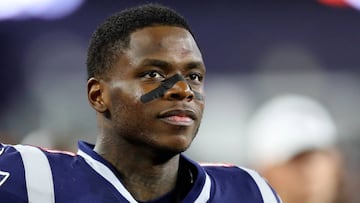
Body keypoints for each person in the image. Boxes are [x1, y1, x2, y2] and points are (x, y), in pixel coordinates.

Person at [0, 4, 281, 203]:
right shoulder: (31, 178)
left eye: (194, 76)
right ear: (99, 95)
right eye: (154, 74)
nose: (183, 90)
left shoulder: (250, 192)